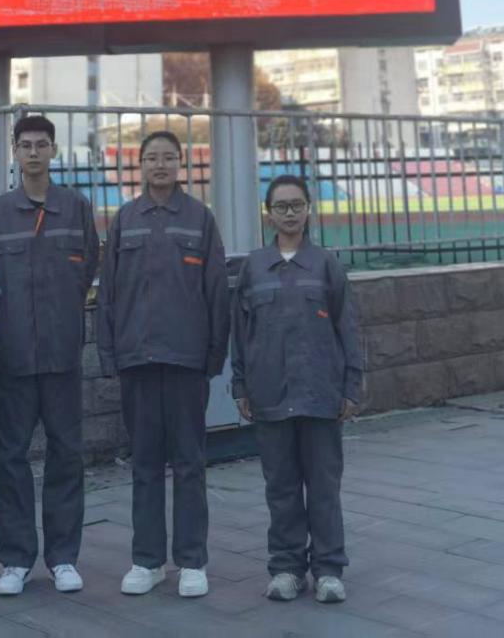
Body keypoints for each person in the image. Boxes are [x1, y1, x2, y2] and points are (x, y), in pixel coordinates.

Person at [97, 128, 229, 599]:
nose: (160, 165)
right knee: (145, 463)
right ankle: (147, 561)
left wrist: (214, 355)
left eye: (168, 157)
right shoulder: (125, 219)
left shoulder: (199, 218)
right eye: (152, 157)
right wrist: (109, 353)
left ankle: (192, 561)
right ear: (141, 164)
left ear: (181, 164)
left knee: (190, 462)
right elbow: (108, 293)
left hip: (186, 360)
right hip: (138, 359)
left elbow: (217, 291)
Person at [231, 173, 362, 605]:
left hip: (320, 394)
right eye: (281, 206)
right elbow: (240, 333)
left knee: (323, 487)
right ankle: (287, 569)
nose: (289, 213)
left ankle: (328, 570)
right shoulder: (254, 267)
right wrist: (240, 386)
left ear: (308, 210)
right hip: (270, 394)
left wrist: (351, 386)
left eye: (297, 205)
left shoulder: (326, 265)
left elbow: (348, 328)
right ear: (268, 213)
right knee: (281, 487)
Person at [0, 112, 99, 597]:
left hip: (62, 357)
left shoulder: (76, 207)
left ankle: (63, 557)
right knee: (10, 457)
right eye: (25, 145)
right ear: (15, 152)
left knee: (66, 455)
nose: (33, 153)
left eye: (41, 144)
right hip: (13, 359)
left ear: (54, 150)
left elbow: (89, 265)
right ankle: (15, 559)